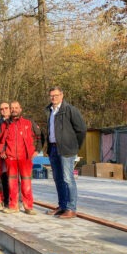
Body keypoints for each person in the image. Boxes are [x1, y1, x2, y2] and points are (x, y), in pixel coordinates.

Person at [0, 101, 42, 215]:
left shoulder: (29, 123)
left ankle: (28, 206)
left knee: (26, 183)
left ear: (20, 109)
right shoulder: (5, 125)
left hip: (25, 158)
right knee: (12, 183)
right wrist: (0, 151)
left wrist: (37, 150)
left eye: (16, 107)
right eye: (12, 108)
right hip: (11, 158)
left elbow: (39, 136)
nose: (14, 109)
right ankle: (13, 206)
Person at [45, 87, 87, 219]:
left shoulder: (70, 110)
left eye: (56, 95)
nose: (54, 98)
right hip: (53, 148)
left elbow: (81, 130)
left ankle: (71, 208)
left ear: (62, 96)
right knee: (58, 179)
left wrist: (74, 146)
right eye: (51, 96)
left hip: (67, 149)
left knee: (68, 179)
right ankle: (62, 206)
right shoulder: (49, 111)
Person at [0, 102, 11, 207]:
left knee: (15, 179)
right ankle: (5, 200)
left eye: (6, 108)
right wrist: (0, 151)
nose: (4, 110)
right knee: (3, 178)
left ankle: (16, 200)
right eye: (1, 109)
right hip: (1, 155)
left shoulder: (16, 121)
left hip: (14, 154)